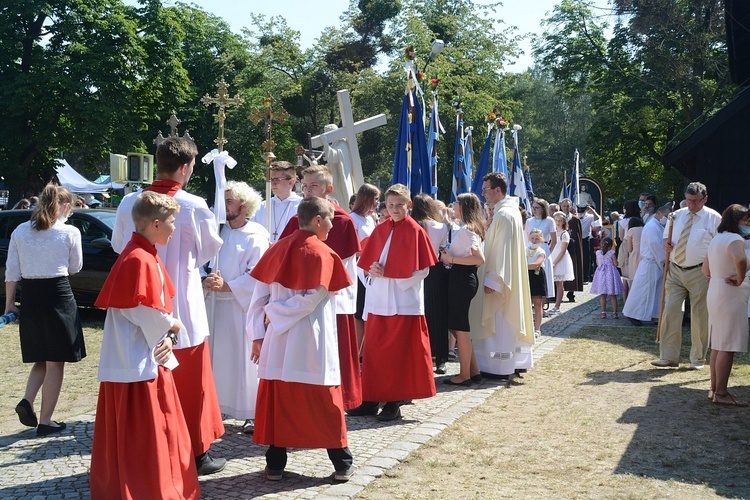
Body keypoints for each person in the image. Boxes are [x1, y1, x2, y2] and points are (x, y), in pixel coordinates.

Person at [112, 137, 226, 475]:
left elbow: (122, 246)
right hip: (184, 308)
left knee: (150, 381)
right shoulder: (194, 205)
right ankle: (196, 453)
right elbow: (207, 252)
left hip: (143, 304)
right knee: (192, 386)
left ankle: (152, 452)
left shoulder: (130, 202)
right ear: (187, 167)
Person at [90, 191, 199, 499]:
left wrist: (166, 330)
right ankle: (147, 488)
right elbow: (139, 307)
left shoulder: (142, 253)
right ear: (155, 224)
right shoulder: (139, 258)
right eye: (172, 221)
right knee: (146, 432)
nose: (174, 228)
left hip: (138, 352)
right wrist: (171, 326)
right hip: (137, 362)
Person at [248, 197, 355, 482]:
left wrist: (259, 333)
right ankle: (341, 462)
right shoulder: (322, 253)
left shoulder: (276, 249)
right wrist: (270, 318)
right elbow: (313, 299)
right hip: (311, 340)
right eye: (330, 219)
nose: (332, 225)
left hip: (279, 340)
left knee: (280, 399)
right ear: (317, 220)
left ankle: (275, 464)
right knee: (323, 400)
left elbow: (258, 299)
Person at [279, 165, 362, 412]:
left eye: (313, 185)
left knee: (335, 356)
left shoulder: (342, 221)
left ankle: (338, 403)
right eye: (304, 186)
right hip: (300, 300)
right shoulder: (297, 220)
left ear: (328, 188)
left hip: (335, 300)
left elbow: (346, 267)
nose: (306, 190)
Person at [352, 184, 438, 421]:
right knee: (374, 352)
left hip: (403, 302)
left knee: (397, 355)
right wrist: (373, 270)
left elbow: (422, 271)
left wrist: (391, 274)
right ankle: (370, 399)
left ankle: (393, 403)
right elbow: (366, 264)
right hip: (379, 299)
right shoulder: (381, 229)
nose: (395, 209)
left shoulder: (415, 231)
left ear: (408, 205)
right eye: (390, 205)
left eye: (399, 205)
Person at [6, 184, 84, 436]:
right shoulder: (69, 232)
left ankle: (28, 400)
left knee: (41, 355)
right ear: (63, 206)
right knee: (56, 361)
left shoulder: (20, 231)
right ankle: (46, 420)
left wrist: (9, 304)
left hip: (30, 296)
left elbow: (11, 272)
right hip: (58, 295)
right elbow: (75, 267)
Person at [203, 181, 269, 434]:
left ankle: (250, 411)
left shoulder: (256, 235)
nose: (224, 206)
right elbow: (199, 259)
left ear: (244, 205)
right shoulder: (216, 231)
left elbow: (258, 275)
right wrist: (204, 279)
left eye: (229, 201)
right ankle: (215, 408)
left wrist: (228, 286)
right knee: (215, 359)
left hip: (240, 308)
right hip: (213, 306)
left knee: (243, 361)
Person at [470, 172, 535, 378]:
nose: (483, 194)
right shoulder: (509, 212)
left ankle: (498, 366)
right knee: (506, 320)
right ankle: (511, 363)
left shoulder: (504, 215)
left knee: (499, 321)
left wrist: (493, 280)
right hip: (505, 276)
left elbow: (502, 252)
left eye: (486, 190)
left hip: (499, 280)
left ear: (498, 190)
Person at [652, 182, 721, 369]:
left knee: (700, 315)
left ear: (704, 199)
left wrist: (712, 272)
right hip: (675, 269)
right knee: (671, 311)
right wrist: (666, 244)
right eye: (689, 201)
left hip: (700, 271)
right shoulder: (676, 216)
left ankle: (697, 358)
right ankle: (668, 356)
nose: (691, 205)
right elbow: (666, 237)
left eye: (696, 201)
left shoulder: (714, 218)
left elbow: (719, 246)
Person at [703, 204, 750, 406]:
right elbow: (740, 258)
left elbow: (705, 268)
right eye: (746, 220)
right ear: (735, 221)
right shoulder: (734, 238)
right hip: (729, 293)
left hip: (716, 289)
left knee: (719, 344)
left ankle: (715, 389)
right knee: (727, 345)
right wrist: (740, 278)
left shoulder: (717, 238)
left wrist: (717, 276)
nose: (748, 224)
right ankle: (721, 392)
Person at [441, 193, 485, 386]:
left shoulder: (468, 230)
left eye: (456, 203)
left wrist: (451, 259)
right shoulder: (466, 228)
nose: (453, 205)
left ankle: (464, 374)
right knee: (458, 326)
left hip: (462, 277)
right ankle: (473, 371)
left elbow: (479, 259)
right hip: (461, 277)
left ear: (464, 206)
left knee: (460, 327)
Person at [410, 194, 450, 374]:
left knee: (417, 314)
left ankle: (419, 355)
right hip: (434, 270)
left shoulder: (410, 225)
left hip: (413, 270)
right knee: (438, 314)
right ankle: (440, 358)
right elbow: (442, 248)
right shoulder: (440, 226)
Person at [622, 204, 670, 326]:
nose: (667, 218)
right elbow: (655, 246)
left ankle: (655, 315)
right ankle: (632, 313)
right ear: (659, 213)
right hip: (650, 263)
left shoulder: (656, 225)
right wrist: (664, 260)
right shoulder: (652, 227)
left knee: (655, 291)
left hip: (654, 263)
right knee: (643, 291)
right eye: (666, 215)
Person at [349, 183, 380, 353]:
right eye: (375, 199)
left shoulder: (370, 218)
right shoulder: (352, 218)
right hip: (359, 271)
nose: (377, 202)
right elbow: (351, 247)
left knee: (367, 313)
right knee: (359, 314)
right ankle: (356, 354)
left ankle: (363, 353)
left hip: (371, 272)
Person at [251, 160, 302, 243]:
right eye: (271, 179)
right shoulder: (261, 206)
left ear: (291, 182)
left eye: (278, 179)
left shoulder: (302, 206)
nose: (273, 183)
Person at [525, 198, 556, 305]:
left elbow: (554, 240)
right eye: (533, 207)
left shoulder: (549, 220)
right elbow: (526, 238)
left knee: (543, 277)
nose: (534, 210)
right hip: (531, 250)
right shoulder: (529, 221)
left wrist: (547, 254)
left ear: (543, 209)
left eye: (536, 208)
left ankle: (542, 305)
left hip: (544, 248)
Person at [590, 237, 624, 318]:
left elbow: (598, 263)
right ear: (611, 246)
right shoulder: (612, 253)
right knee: (613, 295)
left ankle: (603, 312)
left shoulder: (598, 253)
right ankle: (615, 313)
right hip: (610, 274)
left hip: (601, 274)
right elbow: (615, 264)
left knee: (603, 295)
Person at [560, 198, 584, 302]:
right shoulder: (557, 218)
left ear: (571, 207)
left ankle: (571, 291)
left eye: (567, 206)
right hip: (560, 246)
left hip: (572, 247)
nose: (566, 208)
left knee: (572, 267)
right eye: (564, 206)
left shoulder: (575, 220)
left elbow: (578, 235)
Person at [550, 212, 574, 311]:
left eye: (560, 221)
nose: (558, 223)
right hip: (553, 255)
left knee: (559, 283)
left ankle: (557, 306)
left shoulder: (565, 234)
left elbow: (563, 250)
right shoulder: (554, 232)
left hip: (560, 259)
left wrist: (555, 262)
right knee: (554, 282)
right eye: (556, 221)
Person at [526, 229, 547, 335]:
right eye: (532, 238)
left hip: (536, 277)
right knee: (526, 303)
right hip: (526, 276)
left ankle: (537, 328)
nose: (534, 241)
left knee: (537, 304)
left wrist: (522, 266)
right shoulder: (525, 249)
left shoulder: (541, 251)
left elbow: (536, 264)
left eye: (537, 239)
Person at [621, 216, 644, 303]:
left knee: (633, 282)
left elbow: (629, 249)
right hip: (644, 256)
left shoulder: (631, 231)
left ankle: (632, 304)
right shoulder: (645, 229)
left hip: (634, 256)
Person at [579, 204, 602, 282]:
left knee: (587, 258)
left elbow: (597, 218)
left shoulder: (589, 216)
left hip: (586, 238)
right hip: (577, 239)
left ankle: (586, 276)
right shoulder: (575, 216)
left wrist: (591, 210)